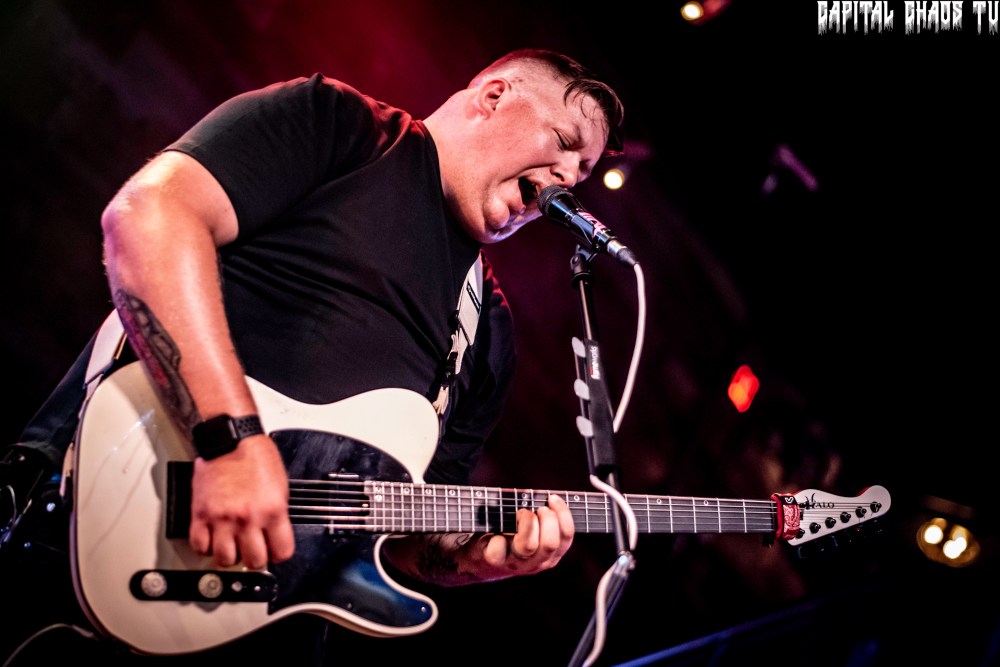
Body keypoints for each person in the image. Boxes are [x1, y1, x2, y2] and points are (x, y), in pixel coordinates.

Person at [0, 48, 625, 665]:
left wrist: (474, 561)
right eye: (564, 142)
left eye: (583, 171)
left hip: (271, 630)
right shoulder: (339, 126)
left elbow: (405, 534)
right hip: (97, 531)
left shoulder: (488, 332)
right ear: (493, 96)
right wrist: (230, 443)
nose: (569, 178)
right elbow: (150, 216)